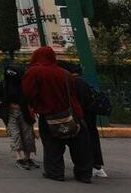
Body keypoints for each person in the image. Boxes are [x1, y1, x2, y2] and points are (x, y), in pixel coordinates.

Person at [23, 47, 93, 183]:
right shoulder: (65, 73)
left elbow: (28, 93)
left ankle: (55, 172)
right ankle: (84, 174)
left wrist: (36, 105)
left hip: (49, 115)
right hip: (72, 115)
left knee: (52, 146)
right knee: (80, 146)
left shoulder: (34, 72)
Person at [63, 62, 106, 179]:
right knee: (92, 140)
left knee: (85, 142)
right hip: (89, 116)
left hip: (83, 117)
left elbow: (80, 101)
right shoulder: (82, 82)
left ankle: (92, 167)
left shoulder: (76, 83)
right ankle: (96, 166)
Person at [0, 63, 38, 170]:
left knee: (27, 135)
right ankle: (20, 157)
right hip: (10, 112)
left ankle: (27, 157)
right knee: (15, 134)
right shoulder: (7, 85)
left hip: (23, 112)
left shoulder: (19, 85)